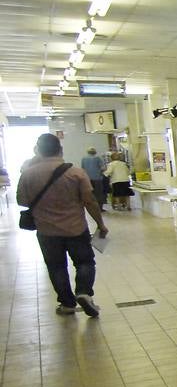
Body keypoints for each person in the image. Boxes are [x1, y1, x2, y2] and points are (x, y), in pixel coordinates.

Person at [16, 133, 107, 317]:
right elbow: (90, 201)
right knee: (84, 262)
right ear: (61, 150)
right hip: (76, 228)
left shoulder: (28, 174)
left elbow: (22, 201)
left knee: (56, 267)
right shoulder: (75, 172)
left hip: (46, 231)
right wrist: (100, 224)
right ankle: (83, 292)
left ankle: (67, 304)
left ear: (38, 150)